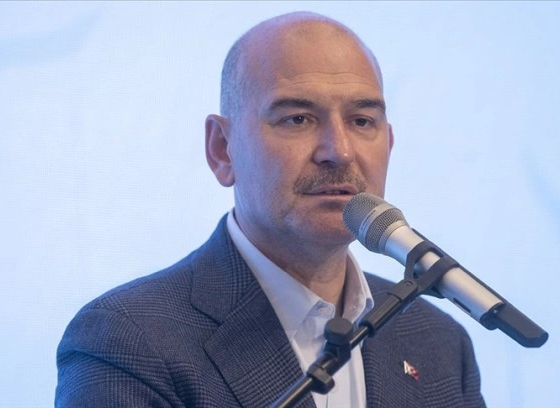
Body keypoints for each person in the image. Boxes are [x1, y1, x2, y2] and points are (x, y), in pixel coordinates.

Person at [56, 11, 485, 408]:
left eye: (361, 121)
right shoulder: (128, 340)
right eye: (297, 119)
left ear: (388, 145)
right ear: (222, 149)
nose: (339, 151)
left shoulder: (439, 343)